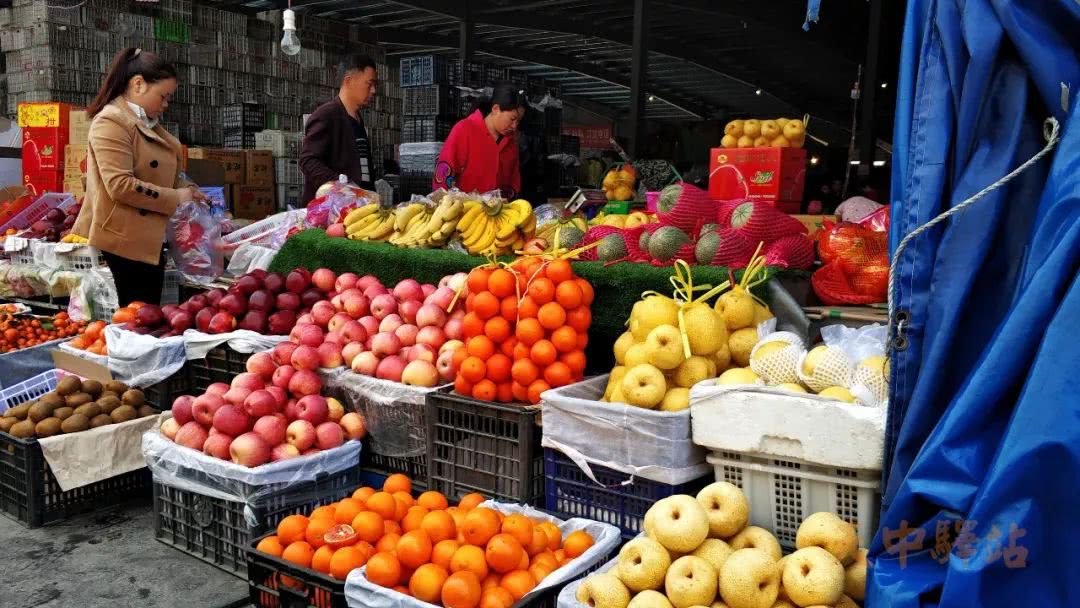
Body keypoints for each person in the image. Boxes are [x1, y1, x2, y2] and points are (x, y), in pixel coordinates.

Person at [73, 47, 207, 306]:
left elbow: (158, 172)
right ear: (138, 84)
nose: (165, 105)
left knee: (147, 311)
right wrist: (177, 197)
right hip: (125, 238)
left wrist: (187, 188)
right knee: (138, 313)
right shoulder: (111, 122)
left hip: (148, 234)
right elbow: (120, 185)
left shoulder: (144, 122)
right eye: (163, 96)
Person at [300, 54, 378, 202]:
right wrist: (341, 186)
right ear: (348, 81)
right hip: (332, 208)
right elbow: (308, 160)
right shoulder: (327, 114)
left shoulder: (357, 119)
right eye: (369, 84)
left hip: (359, 205)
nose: (373, 90)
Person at [434, 82, 525, 196]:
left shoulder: (511, 142)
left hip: (498, 207)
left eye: (518, 121)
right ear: (495, 109)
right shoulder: (464, 129)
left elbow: (514, 180)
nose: (514, 126)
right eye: (512, 119)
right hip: (464, 206)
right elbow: (443, 173)